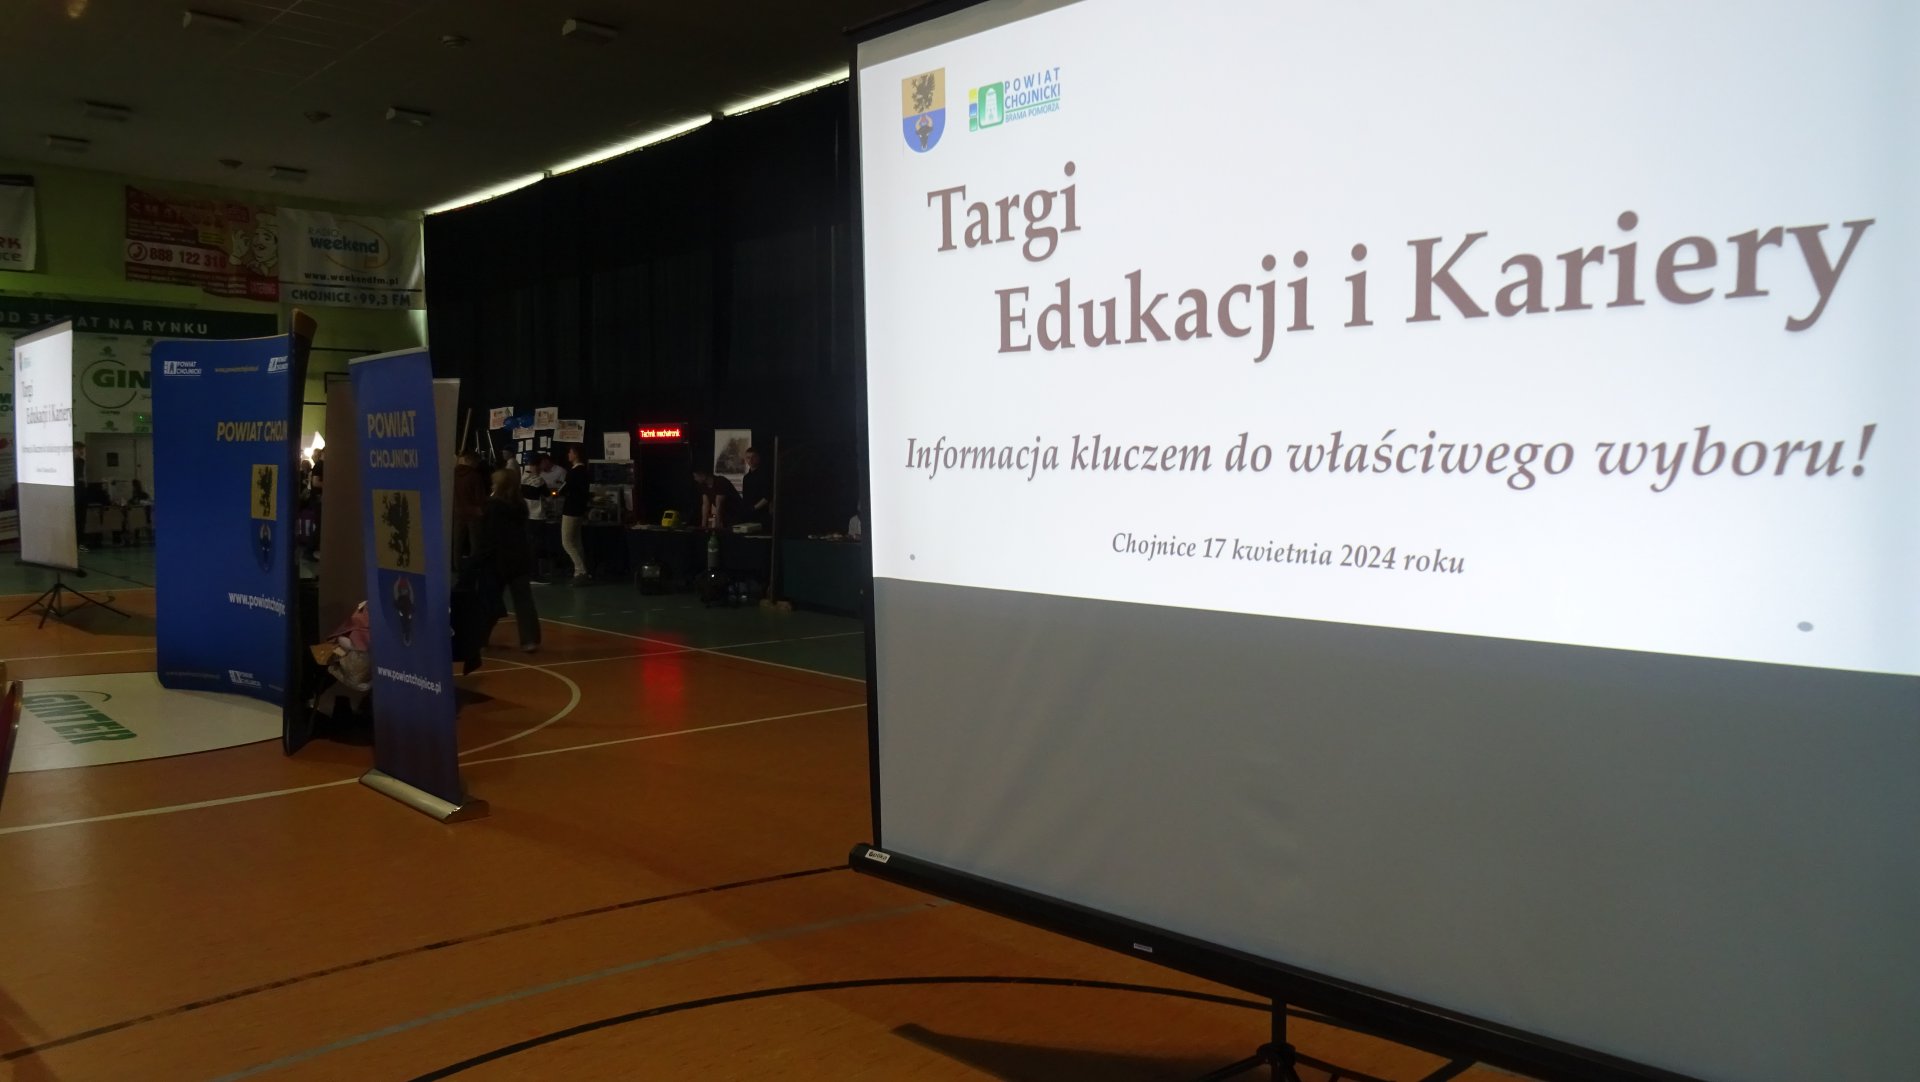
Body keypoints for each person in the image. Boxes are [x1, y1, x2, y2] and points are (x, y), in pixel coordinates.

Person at [470, 469, 540, 652]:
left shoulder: (492, 507)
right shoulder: (520, 506)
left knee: (489, 601)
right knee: (524, 601)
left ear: (498, 485)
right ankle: (529, 640)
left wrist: (477, 559)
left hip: (496, 561)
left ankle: (480, 638)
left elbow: (488, 538)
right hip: (519, 559)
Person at [559, 444, 593, 585]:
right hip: (580, 509)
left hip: (571, 510)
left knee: (567, 542)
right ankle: (579, 571)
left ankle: (581, 570)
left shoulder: (574, 472)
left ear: (576, 454)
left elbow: (563, 489)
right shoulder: (585, 471)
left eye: (570, 452)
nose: (568, 455)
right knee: (577, 542)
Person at [452, 451, 488, 559]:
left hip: (458, 511)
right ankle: (473, 566)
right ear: (472, 461)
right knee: (475, 544)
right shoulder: (475, 476)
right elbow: (480, 497)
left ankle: (457, 565)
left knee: (457, 544)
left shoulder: (453, 474)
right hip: (474, 514)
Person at [739, 446, 772, 531]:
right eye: (748, 458)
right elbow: (745, 497)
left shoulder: (765, 475)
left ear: (758, 458)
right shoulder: (746, 477)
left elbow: (767, 497)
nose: (750, 460)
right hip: (748, 514)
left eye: (753, 457)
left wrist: (754, 508)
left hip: (762, 514)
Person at [73, 441, 89, 552]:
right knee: (75, 519)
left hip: (81, 491)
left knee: (81, 520)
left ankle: (80, 543)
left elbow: (82, 476)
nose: (81, 452)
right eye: (79, 450)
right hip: (73, 491)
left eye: (82, 450)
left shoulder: (82, 462)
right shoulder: (68, 463)